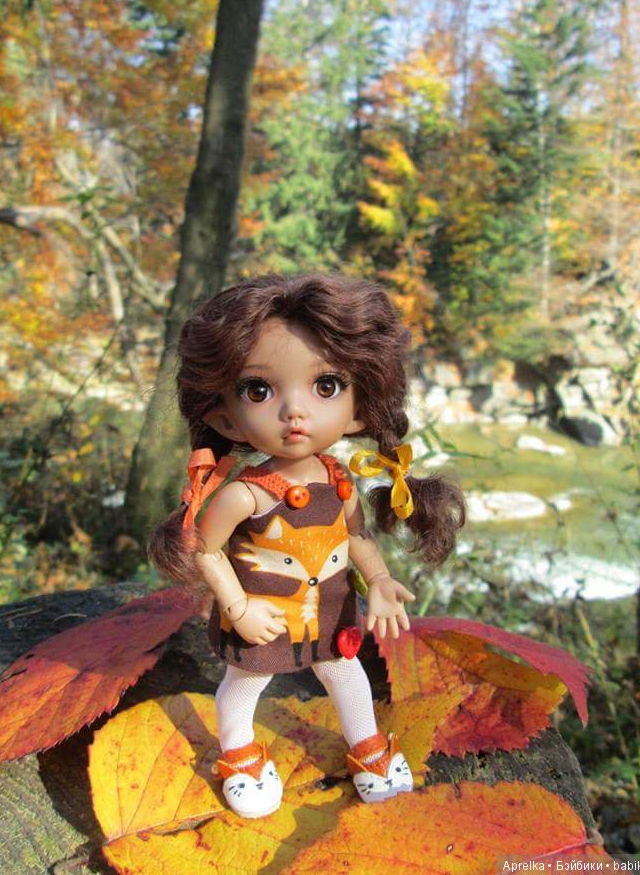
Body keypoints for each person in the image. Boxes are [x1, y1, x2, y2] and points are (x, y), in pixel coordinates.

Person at [149, 273, 465, 819]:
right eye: (259, 390)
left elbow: (357, 536)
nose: (294, 412)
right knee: (245, 683)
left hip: (327, 614)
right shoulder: (245, 495)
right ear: (224, 416)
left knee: (347, 676)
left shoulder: (339, 479)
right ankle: (240, 757)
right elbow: (205, 549)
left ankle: (368, 748)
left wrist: (380, 580)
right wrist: (238, 607)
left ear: (361, 407)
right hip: (266, 613)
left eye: (326, 386)